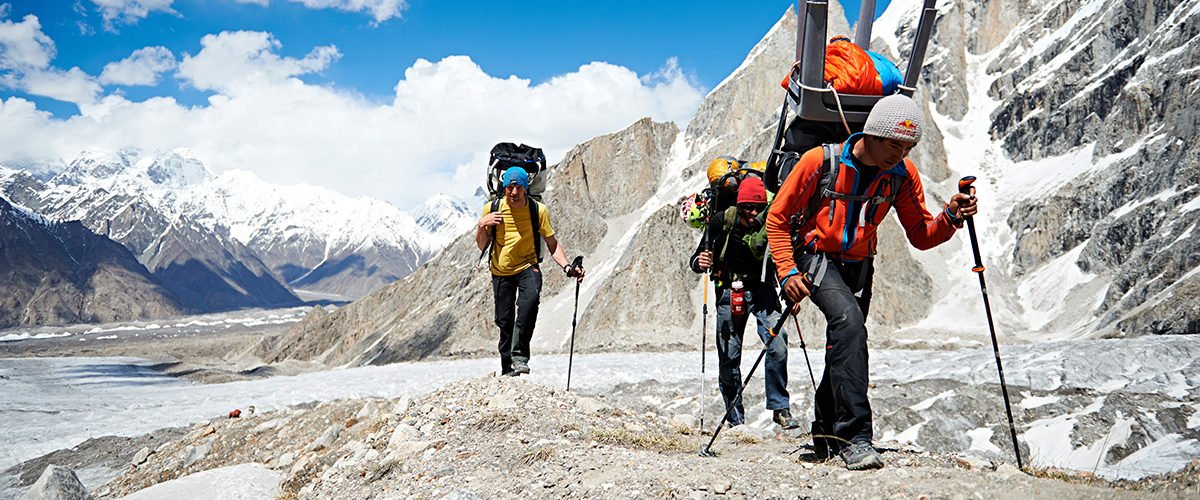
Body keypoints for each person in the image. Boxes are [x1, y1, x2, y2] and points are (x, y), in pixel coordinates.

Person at [765, 94, 978, 470]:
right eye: (894, 144)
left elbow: (921, 234)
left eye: (908, 146)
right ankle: (856, 438)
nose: (900, 153)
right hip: (816, 257)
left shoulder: (901, 175)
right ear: (872, 133)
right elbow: (778, 219)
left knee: (845, 341)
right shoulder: (820, 161)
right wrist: (787, 269)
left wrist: (951, 216)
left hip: (861, 265)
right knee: (849, 327)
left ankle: (826, 434)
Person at [689, 175, 801, 430]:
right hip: (729, 290)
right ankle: (735, 419)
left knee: (778, 342)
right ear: (739, 205)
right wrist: (700, 262)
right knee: (729, 356)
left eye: (758, 207)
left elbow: (781, 257)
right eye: (748, 207)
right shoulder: (722, 220)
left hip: (762, 288)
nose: (753, 213)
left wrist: (789, 292)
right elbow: (696, 258)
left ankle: (780, 409)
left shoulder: (770, 223)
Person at [476, 166, 585, 377]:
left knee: (529, 303)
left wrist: (567, 268)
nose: (514, 193)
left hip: (528, 265)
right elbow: (482, 246)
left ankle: (520, 357)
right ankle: (508, 369)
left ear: (525, 188)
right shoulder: (492, 209)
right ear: (504, 187)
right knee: (505, 321)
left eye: (518, 188)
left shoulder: (538, 210)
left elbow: (552, 244)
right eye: (510, 187)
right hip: (500, 270)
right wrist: (482, 224)